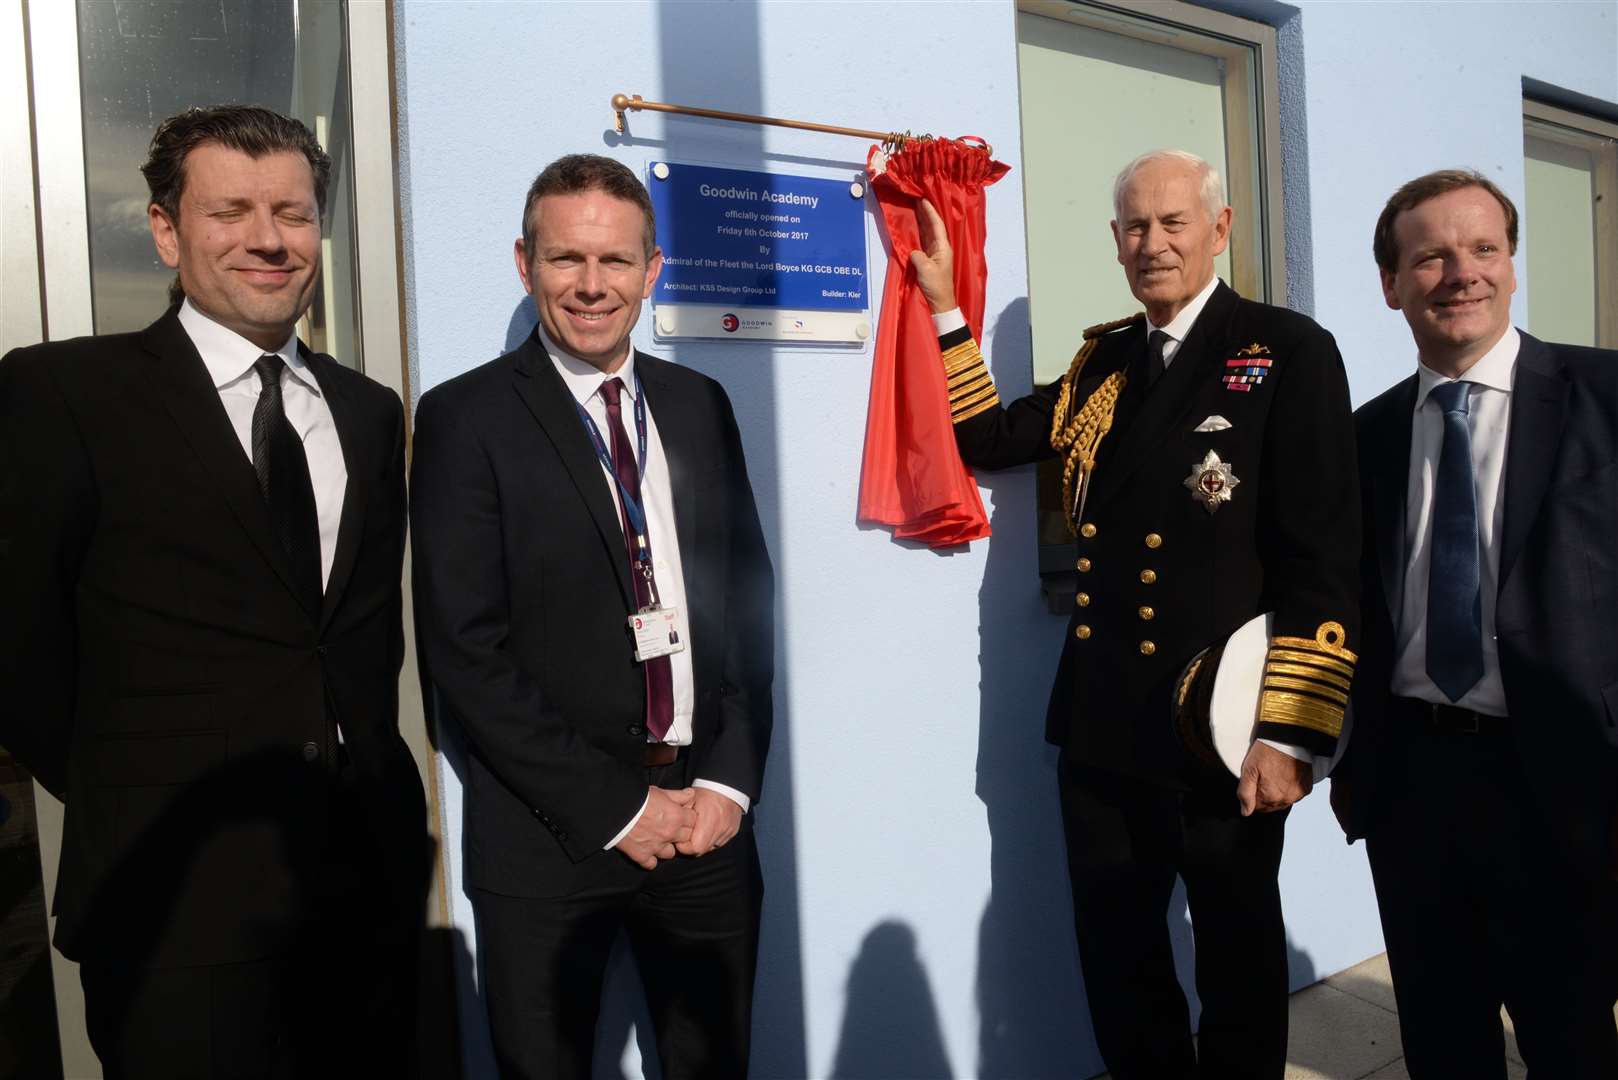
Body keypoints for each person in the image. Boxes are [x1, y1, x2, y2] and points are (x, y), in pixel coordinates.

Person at [910, 149, 1359, 1078]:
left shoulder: (1284, 350)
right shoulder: (1104, 359)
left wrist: (1294, 733)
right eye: (1136, 228)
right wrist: (948, 308)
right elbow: (994, 438)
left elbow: (1323, 559)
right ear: (1116, 243)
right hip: (1106, 721)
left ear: (1221, 229)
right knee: (1117, 953)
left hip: (1221, 727)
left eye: (1174, 223)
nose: (1154, 245)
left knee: (1236, 955)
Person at [0, 105, 428, 1078]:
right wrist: (144, 783)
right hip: (170, 908)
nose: (269, 239)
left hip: (359, 902)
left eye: (292, 210)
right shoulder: (66, 395)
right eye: (230, 210)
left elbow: (354, 646)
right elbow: (20, 656)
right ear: (165, 228)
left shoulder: (367, 413)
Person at [410, 153, 774, 1080]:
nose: (591, 285)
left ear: (653, 272)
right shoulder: (466, 418)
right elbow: (464, 650)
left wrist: (730, 782)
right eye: (566, 259)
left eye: (616, 262)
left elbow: (744, 597)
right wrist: (618, 808)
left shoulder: (697, 404)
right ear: (524, 263)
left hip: (703, 825)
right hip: (550, 839)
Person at [1333, 168, 1618, 1078]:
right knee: (1443, 1043)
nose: (1463, 273)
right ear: (1391, 285)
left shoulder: (1603, 397)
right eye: (1432, 257)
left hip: (1567, 781)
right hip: (1413, 784)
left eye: (1484, 249)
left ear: (1512, 264)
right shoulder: (1363, 438)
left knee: (1573, 1042)